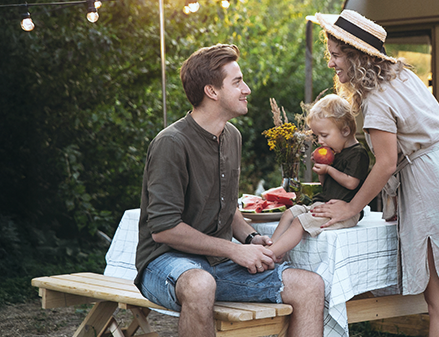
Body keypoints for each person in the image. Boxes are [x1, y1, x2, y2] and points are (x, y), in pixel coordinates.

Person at [307, 10, 439, 337]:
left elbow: (386, 164)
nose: (331, 63)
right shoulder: (402, 77)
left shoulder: (378, 101)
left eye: (336, 55)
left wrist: (352, 207)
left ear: (356, 57)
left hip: (434, 190)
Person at [134, 44, 324, 337]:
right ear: (212, 91)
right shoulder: (171, 143)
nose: (246, 89)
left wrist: (251, 238)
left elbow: (227, 208)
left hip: (217, 265)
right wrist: (235, 251)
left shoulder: (232, 136)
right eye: (237, 82)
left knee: (310, 285)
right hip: (164, 262)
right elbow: (164, 230)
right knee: (199, 284)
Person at [268, 94, 370, 257]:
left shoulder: (358, 154)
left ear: (345, 130)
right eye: (317, 136)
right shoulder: (335, 153)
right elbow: (326, 186)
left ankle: (270, 255)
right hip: (323, 204)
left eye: (324, 135)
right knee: (290, 213)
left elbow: (351, 183)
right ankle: (269, 247)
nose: (320, 141)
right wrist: (322, 169)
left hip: (344, 212)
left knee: (299, 222)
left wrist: (329, 170)